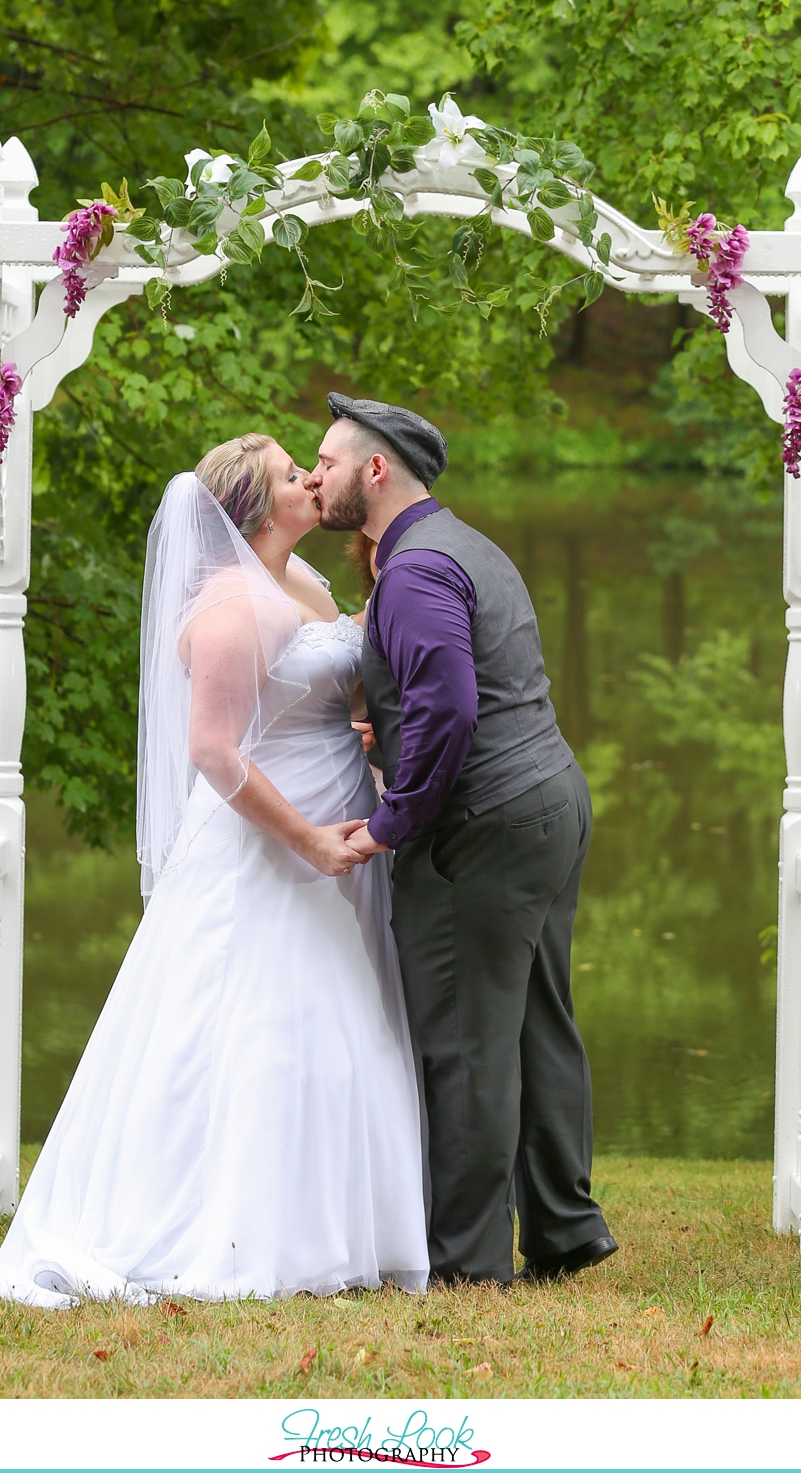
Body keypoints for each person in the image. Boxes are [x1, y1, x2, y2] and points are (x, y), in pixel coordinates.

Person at [0, 435, 428, 1306]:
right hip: (269, 844)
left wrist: (366, 734)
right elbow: (211, 748)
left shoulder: (307, 584)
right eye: (292, 475)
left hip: (335, 812)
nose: (312, 480)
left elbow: (312, 695)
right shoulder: (232, 606)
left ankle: (348, 1225)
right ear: (254, 507)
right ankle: (233, 1226)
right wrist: (310, 842)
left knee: (341, 1014)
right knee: (258, 1025)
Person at [308, 396, 617, 1288]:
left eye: (327, 460)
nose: (314, 473)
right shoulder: (463, 545)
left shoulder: (414, 572)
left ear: (376, 470)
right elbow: (457, 688)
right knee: (535, 1022)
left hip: (484, 825)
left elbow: (450, 708)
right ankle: (564, 1226)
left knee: (465, 1040)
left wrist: (392, 821)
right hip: (548, 799)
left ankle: (469, 1263)